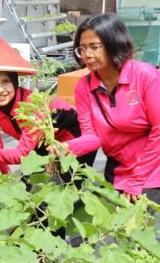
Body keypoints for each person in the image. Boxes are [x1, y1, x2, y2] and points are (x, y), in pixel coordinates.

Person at [59, 13, 160, 203]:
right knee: (116, 229)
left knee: (141, 229)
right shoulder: (84, 86)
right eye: (82, 48)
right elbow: (91, 136)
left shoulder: (145, 76)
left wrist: (137, 179)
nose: (88, 55)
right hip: (118, 170)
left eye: (95, 47)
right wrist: (66, 147)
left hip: (152, 170)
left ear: (114, 44)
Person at [0, 38, 95, 169]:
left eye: (6, 82)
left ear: (15, 83)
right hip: (40, 141)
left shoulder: (32, 105)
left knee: (68, 182)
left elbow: (22, 154)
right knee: (30, 178)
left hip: (76, 136)